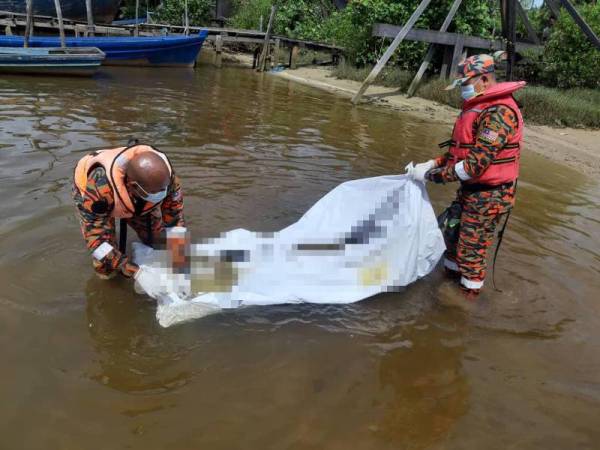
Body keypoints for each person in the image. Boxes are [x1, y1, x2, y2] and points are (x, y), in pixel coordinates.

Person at [406, 53, 525, 298]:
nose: (463, 89)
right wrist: (431, 164)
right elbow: (458, 155)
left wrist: (433, 177)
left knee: (471, 252)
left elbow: (474, 165)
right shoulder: (480, 107)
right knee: (450, 237)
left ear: (483, 80)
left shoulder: (499, 114)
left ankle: (466, 307)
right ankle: (446, 283)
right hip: (471, 192)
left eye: (466, 83)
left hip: (490, 197)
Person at [72, 142, 185, 282]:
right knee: (105, 264)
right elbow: (97, 242)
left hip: (138, 196)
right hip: (97, 196)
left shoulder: (166, 179)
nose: (162, 194)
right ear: (133, 187)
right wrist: (133, 270)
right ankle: (109, 283)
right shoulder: (98, 193)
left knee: (157, 240)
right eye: (155, 192)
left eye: (164, 190)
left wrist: (178, 250)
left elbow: (175, 217)